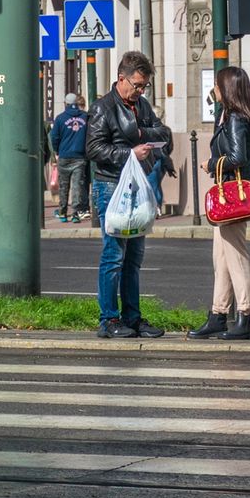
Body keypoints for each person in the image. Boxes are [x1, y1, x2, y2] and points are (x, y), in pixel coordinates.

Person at [85, 50, 172, 339]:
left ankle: (132, 317)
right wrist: (130, 151)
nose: (140, 90)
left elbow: (162, 131)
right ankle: (108, 319)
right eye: (136, 85)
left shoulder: (142, 104)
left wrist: (141, 134)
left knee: (134, 255)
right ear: (121, 79)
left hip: (137, 184)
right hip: (110, 184)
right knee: (114, 254)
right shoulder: (102, 108)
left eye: (144, 86)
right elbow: (94, 149)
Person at [187, 67, 250, 341]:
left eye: (217, 85)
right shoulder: (240, 116)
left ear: (227, 89)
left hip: (232, 191)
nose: (214, 89)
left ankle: (245, 315)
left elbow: (238, 157)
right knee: (221, 258)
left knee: (235, 255)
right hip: (232, 188)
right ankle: (218, 315)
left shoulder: (235, 118)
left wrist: (211, 164)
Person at [49, 93, 89, 223]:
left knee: (63, 186)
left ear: (65, 103)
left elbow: (54, 137)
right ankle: (76, 213)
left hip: (64, 156)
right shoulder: (85, 117)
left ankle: (62, 212)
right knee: (77, 186)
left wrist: (57, 150)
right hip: (80, 156)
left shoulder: (60, 118)